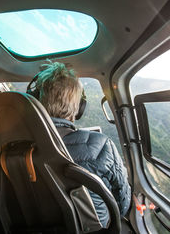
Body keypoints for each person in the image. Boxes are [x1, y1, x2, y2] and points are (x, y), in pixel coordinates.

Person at [31, 62, 131, 227]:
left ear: (37, 100)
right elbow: (121, 207)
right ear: (79, 108)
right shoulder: (102, 146)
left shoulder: (16, 146)